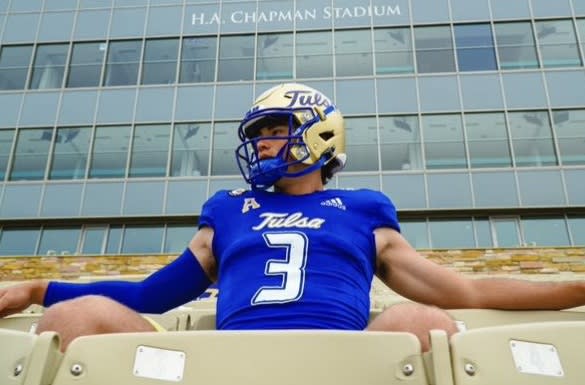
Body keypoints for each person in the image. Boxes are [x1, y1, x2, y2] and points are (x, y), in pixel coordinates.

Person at [1, 83, 584, 352]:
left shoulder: (362, 209)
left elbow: (466, 288)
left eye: (275, 130)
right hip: (228, 360)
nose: (262, 145)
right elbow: (154, 295)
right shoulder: (229, 210)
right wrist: (35, 287)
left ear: (319, 135)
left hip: (347, 359)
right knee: (78, 318)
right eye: (258, 135)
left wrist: (576, 287)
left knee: (421, 320)